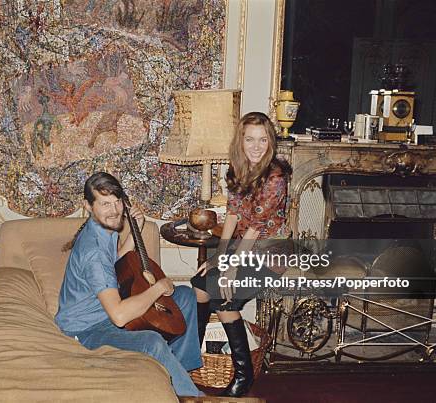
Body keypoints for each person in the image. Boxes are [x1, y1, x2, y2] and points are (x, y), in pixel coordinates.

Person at [55, 172, 203, 397]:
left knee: (185, 297)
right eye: (105, 204)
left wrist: (137, 228)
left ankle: (179, 375)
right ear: (87, 205)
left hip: (105, 312)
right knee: (151, 341)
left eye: (117, 202)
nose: (114, 211)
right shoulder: (92, 252)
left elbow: (113, 262)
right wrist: (158, 288)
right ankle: (191, 397)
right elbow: (119, 316)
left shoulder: (104, 228)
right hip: (86, 329)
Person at [190, 112, 291, 397]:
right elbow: (232, 217)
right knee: (199, 286)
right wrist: (218, 257)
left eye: (262, 140)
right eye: (250, 139)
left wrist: (230, 267)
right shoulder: (236, 169)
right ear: (241, 140)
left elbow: (255, 230)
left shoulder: (276, 177)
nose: (256, 146)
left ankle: (243, 374)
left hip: (270, 253)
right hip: (243, 248)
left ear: (270, 142)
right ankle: (193, 358)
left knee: (224, 298)